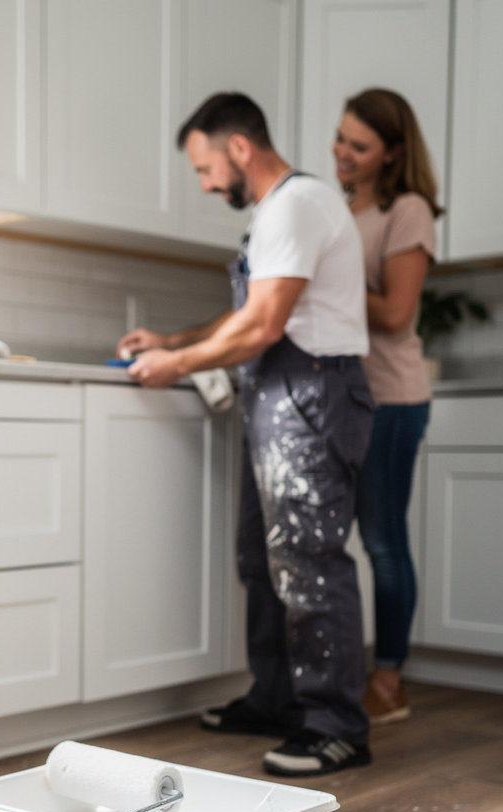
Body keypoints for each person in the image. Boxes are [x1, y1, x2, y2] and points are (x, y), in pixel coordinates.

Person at [117, 92, 375, 777]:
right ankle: (279, 700)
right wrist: (173, 339)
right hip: (277, 393)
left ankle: (336, 725)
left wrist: (175, 363)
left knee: (310, 561)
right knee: (262, 558)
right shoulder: (276, 214)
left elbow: (263, 326)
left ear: (238, 148)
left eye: (205, 167)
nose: (204, 183)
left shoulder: (296, 204)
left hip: (311, 390)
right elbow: (253, 315)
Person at [333, 88, 440, 725]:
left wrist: (327, 280)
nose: (342, 152)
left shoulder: (409, 210)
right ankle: (358, 671)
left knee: (382, 540)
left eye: (360, 145)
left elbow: (397, 315)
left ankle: (390, 678)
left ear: (392, 152)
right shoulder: (344, 210)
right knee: (347, 540)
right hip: (349, 397)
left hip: (393, 400)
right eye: (340, 137)